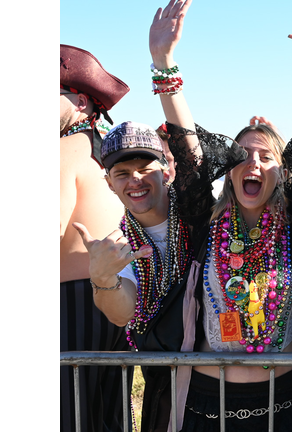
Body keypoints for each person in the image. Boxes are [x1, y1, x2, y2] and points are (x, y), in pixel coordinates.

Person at [148, 2, 292, 430]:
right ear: (230, 167)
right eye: (243, 155)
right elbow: (186, 145)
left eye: (265, 157)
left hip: (284, 406)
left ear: (281, 173)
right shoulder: (205, 222)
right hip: (206, 406)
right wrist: (164, 64)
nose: (253, 163)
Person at [73, 121, 197, 432]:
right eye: (122, 174)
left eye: (144, 168)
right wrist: (102, 277)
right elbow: (122, 312)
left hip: (228, 378)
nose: (135, 180)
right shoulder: (119, 244)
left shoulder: (199, 214)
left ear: (166, 170)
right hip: (165, 390)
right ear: (109, 183)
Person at [60, 43, 131, 432]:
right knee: (107, 417)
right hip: (110, 303)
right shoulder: (103, 154)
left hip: (68, 310)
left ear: (82, 101)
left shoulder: (65, 148)